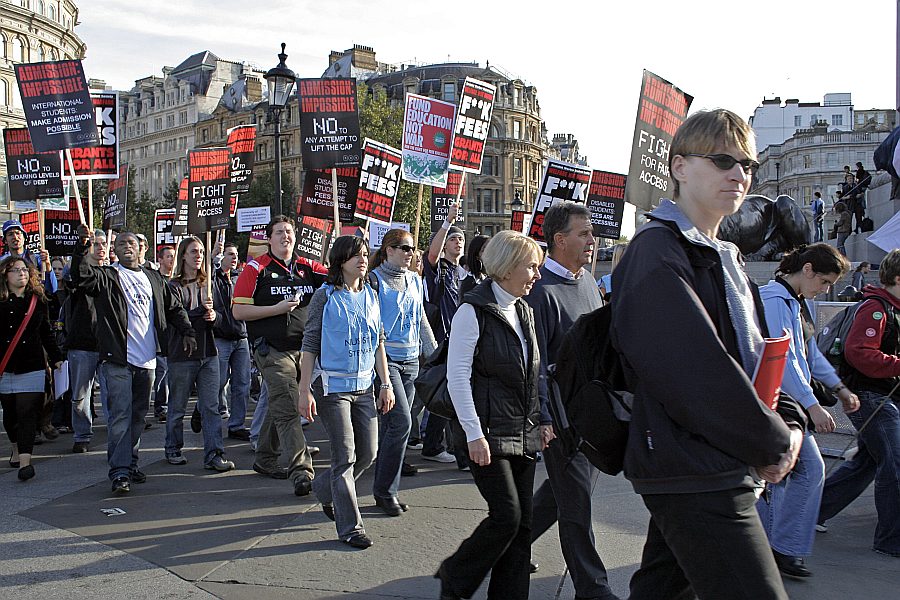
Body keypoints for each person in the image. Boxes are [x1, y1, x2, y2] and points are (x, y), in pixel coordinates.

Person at [612, 109, 807, 600]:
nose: (739, 174)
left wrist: (788, 415)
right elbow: (694, 372)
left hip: (705, 458)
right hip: (695, 464)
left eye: (747, 164)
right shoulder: (657, 251)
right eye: (722, 161)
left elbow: (758, 356)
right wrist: (772, 441)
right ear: (679, 167)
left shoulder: (723, 255)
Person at [436, 230, 543, 600]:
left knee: (523, 528)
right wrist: (473, 433)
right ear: (508, 266)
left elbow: (533, 373)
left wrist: (541, 421)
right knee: (507, 516)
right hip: (487, 433)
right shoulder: (472, 310)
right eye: (531, 267)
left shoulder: (524, 310)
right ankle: (455, 575)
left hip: (523, 431)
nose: (536, 275)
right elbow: (457, 377)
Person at [525, 202, 617, 598]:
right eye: (584, 234)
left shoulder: (588, 283)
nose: (592, 241)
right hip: (562, 422)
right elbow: (536, 365)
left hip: (595, 416)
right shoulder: (540, 292)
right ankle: (592, 587)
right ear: (559, 240)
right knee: (577, 506)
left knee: (558, 498)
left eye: (592, 233)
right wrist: (545, 418)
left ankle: (501, 545)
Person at [758, 244, 859, 578]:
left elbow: (809, 355)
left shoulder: (795, 302)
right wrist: (814, 404)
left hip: (784, 404)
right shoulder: (776, 301)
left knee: (776, 476)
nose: (826, 289)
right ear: (809, 269)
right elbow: (784, 358)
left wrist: (839, 388)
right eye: (826, 282)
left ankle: (773, 548)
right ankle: (780, 549)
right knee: (803, 470)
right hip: (776, 404)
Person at [70, 225, 196, 494]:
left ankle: (131, 463)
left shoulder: (154, 279)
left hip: (147, 361)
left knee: (138, 417)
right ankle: (119, 472)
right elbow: (80, 277)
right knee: (120, 417)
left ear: (141, 248)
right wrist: (81, 248)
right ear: (113, 251)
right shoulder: (107, 277)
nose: (126, 246)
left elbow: (173, 308)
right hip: (117, 360)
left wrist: (187, 331)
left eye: (131, 243)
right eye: (120, 244)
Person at [298, 235, 395, 548]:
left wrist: (385, 383)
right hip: (331, 388)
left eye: (366, 254)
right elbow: (310, 344)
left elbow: (379, 341)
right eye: (356, 255)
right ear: (340, 261)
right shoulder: (324, 297)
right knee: (346, 456)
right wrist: (304, 390)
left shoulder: (372, 293)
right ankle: (351, 528)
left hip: (365, 387)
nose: (363, 260)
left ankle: (324, 488)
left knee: (368, 452)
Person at [232, 215, 326, 496]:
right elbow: (238, 311)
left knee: (278, 401)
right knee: (287, 405)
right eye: (279, 232)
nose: (285, 236)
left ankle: (265, 457)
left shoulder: (308, 267)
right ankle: (301, 471)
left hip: (305, 350)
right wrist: (277, 309)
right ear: (269, 239)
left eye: (289, 231)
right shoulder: (255, 268)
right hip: (271, 350)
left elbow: (337, 278)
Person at [817, 248, 900, 558]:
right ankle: (892, 539)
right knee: (893, 464)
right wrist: (897, 364)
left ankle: (812, 512)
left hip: (878, 395)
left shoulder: (888, 307)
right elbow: (859, 353)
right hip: (872, 396)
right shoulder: (876, 308)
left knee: (867, 462)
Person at [367, 229, 438, 515]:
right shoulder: (374, 281)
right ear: (388, 250)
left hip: (411, 359)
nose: (410, 253)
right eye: (404, 248)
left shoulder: (414, 279)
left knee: (391, 428)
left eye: (412, 248)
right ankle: (386, 492)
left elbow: (420, 316)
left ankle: (383, 489)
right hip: (386, 362)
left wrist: (433, 355)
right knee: (402, 423)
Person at [163, 236, 234, 472]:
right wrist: (199, 313)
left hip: (208, 352)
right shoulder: (173, 287)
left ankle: (214, 453)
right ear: (183, 255)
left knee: (211, 406)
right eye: (194, 251)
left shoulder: (209, 284)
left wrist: (215, 317)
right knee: (178, 406)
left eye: (201, 251)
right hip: (182, 355)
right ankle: (173, 447)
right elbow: (176, 317)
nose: (199, 256)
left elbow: (224, 318)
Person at [0, 256, 64, 481]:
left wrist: (56, 358)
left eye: (25, 270)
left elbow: (46, 332)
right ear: (5, 275)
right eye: (15, 270)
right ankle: (16, 447)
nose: (21, 274)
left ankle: (25, 462)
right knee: (10, 415)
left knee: (27, 413)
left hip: (33, 366)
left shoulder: (37, 300)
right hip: (5, 367)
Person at [422, 202, 468, 466]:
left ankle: (437, 443)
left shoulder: (463, 274)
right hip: (442, 337)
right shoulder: (438, 270)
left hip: (459, 337)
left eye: (461, 239)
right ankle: (435, 444)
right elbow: (432, 254)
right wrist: (447, 223)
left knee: (450, 392)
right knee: (446, 392)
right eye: (453, 239)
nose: (458, 242)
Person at [64, 230, 109, 453]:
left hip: (109, 344)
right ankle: (82, 434)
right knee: (80, 396)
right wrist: (81, 247)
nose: (101, 247)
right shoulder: (76, 274)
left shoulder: (112, 273)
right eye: (96, 244)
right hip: (83, 344)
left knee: (113, 393)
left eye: (104, 244)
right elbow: (77, 275)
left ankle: (116, 432)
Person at [213, 242, 251, 441]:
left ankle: (236, 424)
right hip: (221, 338)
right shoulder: (214, 278)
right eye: (229, 254)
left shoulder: (240, 277)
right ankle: (204, 412)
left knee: (242, 384)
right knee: (218, 382)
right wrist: (213, 261)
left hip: (241, 337)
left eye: (236, 254)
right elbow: (204, 282)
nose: (233, 257)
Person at [2, 219, 57, 294]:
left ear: (24, 237)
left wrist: (47, 265)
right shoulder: (2, 262)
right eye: (10, 234)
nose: (15, 237)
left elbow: (52, 289)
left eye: (18, 233)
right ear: (5, 240)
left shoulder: (37, 259)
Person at [458, 234, 489, 299]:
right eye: (484, 249)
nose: (490, 252)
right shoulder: (470, 283)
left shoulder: (493, 277)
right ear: (477, 256)